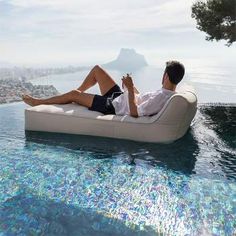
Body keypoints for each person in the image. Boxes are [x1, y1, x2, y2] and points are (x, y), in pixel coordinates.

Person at [22, 61, 185, 118]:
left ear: (166, 76)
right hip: (120, 98)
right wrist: (131, 88)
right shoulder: (166, 93)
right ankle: (76, 97)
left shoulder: (161, 98)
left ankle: (39, 102)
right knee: (97, 70)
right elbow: (140, 99)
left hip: (112, 106)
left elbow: (135, 113)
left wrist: (129, 88)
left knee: (73, 94)